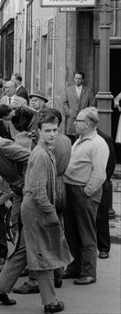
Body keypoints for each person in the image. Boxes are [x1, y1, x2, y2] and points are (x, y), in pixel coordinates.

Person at [0, 114, 71, 313]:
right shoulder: (41, 154)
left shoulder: (45, 150)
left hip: (32, 208)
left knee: (23, 251)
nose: (52, 134)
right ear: (38, 133)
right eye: (48, 131)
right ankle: (50, 302)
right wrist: (51, 215)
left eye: (55, 130)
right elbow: (38, 190)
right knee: (43, 254)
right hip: (36, 210)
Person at [62, 107, 108, 285]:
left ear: (87, 124)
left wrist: (87, 192)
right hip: (72, 189)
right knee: (71, 232)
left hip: (83, 191)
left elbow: (99, 174)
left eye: (78, 121)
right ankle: (75, 267)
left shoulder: (98, 143)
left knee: (86, 233)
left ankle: (89, 272)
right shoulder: (80, 140)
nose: (75, 122)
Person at [96, 128, 117, 260]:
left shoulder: (105, 138)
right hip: (83, 182)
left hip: (101, 183)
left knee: (101, 216)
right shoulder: (77, 137)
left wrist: (105, 180)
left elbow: (111, 163)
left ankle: (103, 247)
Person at [62, 72, 96, 143]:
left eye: (79, 79)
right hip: (71, 120)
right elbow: (64, 103)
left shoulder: (88, 91)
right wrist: (69, 112)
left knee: (82, 139)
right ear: (74, 79)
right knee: (70, 139)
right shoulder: (68, 90)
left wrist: (85, 114)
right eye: (76, 78)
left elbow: (92, 104)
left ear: (82, 79)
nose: (77, 80)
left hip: (83, 120)